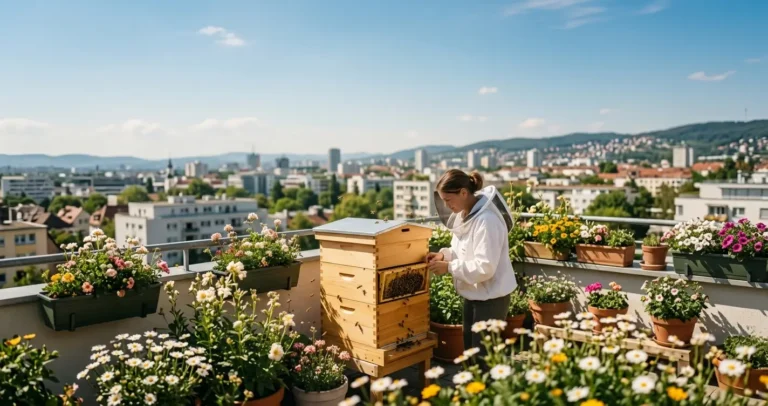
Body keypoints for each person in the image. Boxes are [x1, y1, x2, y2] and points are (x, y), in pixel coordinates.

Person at [427, 169, 518, 351]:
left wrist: (449, 267)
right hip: (474, 294)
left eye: (448, 200)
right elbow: (462, 250)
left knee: (483, 356)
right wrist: (443, 256)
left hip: (491, 298)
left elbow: (485, 267)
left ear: (463, 192)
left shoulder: (487, 221)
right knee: (470, 353)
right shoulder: (465, 217)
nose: (446, 206)